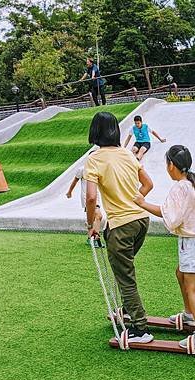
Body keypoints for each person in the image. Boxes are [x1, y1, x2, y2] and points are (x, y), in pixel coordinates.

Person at [133, 145, 195, 350]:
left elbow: (169, 215)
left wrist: (142, 203)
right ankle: (189, 315)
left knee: (192, 289)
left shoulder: (180, 187)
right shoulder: (192, 181)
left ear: (171, 165)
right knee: (180, 274)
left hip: (194, 241)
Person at [84, 112, 155, 343]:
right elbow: (148, 184)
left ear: (94, 132)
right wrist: (135, 200)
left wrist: (90, 225)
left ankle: (140, 328)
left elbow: (91, 197)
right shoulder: (127, 153)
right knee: (123, 269)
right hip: (141, 221)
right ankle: (129, 309)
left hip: (121, 225)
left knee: (125, 276)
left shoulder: (94, 159)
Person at [66, 163, 104, 246]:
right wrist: (69, 192)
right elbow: (75, 181)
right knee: (98, 216)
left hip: (96, 196)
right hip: (87, 196)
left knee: (94, 217)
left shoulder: (99, 169)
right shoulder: (82, 169)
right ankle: (95, 238)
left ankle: (91, 238)